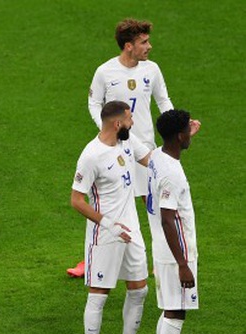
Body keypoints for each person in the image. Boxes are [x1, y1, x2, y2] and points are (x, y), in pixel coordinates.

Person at [68, 18, 174, 278]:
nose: (149, 46)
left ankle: (163, 260)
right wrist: (107, 128)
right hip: (115, 149)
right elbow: (94, 103)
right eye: (144, 42)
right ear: (129, 46)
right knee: (106, 202)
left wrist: (175, 128)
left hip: (144, 149)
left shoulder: (152, 69)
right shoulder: (105, 71)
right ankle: (92, 258)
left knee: (154, 205)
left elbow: (163, 100)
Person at [70, 101, 154, 334]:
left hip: (132, 231)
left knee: (139, 289)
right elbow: (76, 200)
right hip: (105, 234)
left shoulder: (127, 143)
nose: (132, 123)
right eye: (129, 119)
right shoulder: (91, 155)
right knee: (99, 295)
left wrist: (183, 137)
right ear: (117, 123)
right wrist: (107, 223)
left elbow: (153, 160)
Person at [146, 109, 202, 334]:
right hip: (175, 253)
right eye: (186, 131)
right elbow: (169, 218)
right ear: (179, 136)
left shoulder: (158, 155)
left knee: (168, 308)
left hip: (161, 248)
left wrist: (184, 134)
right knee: (175, 313)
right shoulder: (172, 174)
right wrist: (183, 264)